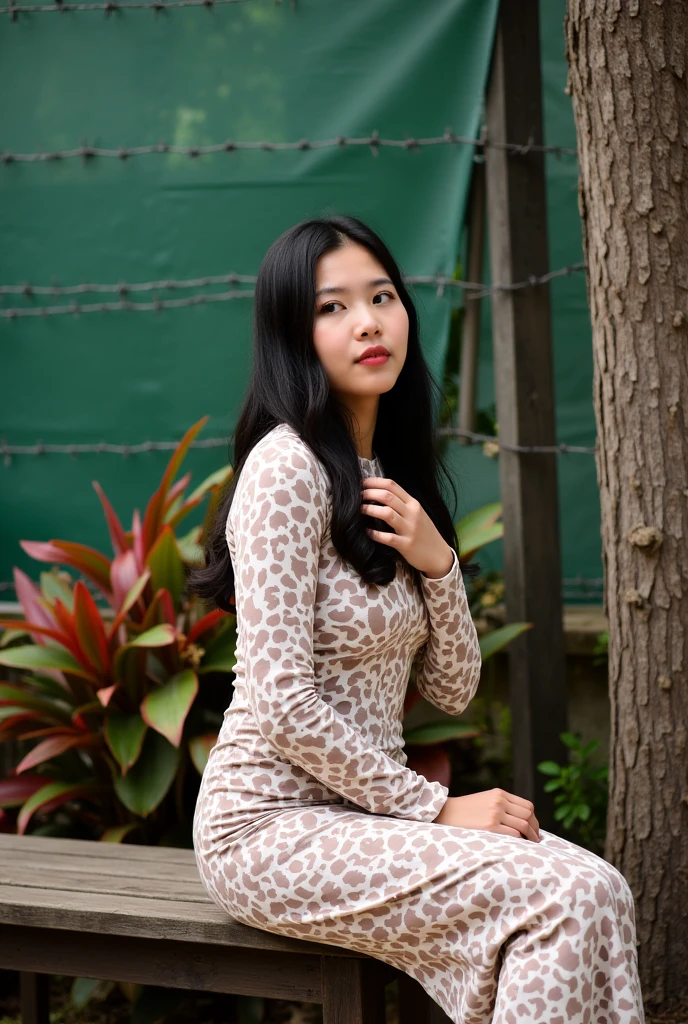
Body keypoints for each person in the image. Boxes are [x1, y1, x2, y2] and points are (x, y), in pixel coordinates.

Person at [189, 215, 644, 1023]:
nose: (367, 322)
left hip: (365, 819)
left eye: (383, 297)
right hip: (270, 828)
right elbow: (281, 699)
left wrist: (441, 566)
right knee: (559, 897)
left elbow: (454, 688)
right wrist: (436, 808)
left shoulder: (387, 477)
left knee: (599, 888)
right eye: (332, 308)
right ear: (293, 335)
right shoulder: (285, 468)